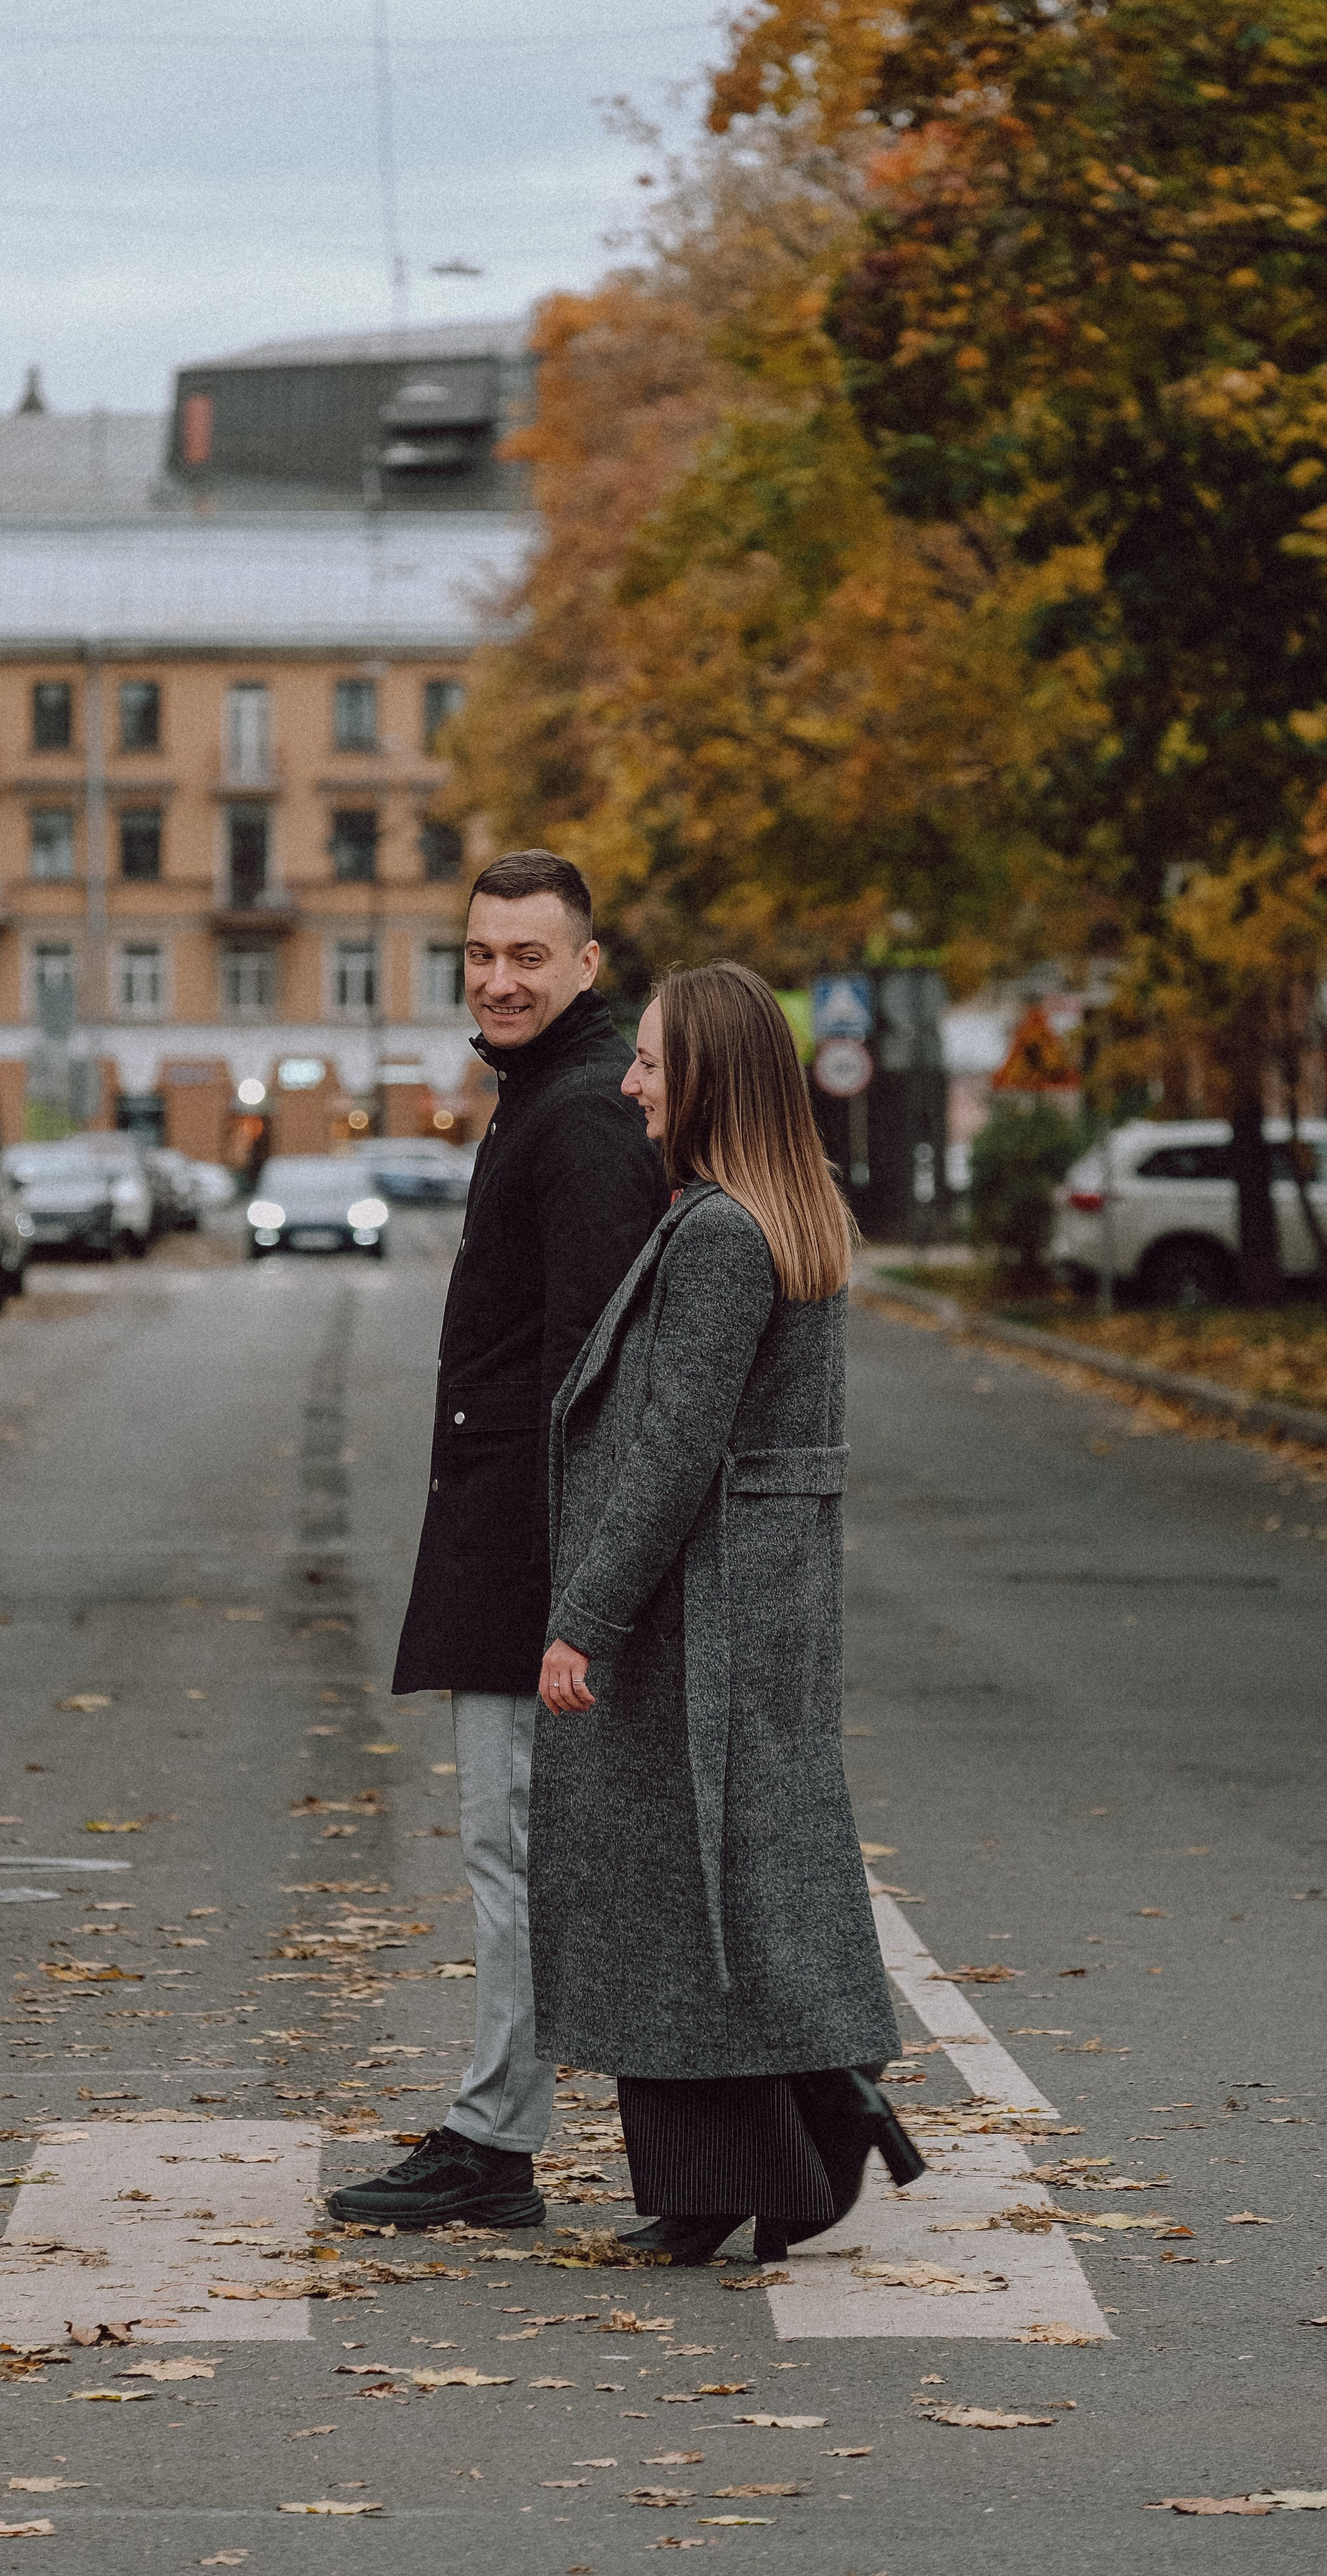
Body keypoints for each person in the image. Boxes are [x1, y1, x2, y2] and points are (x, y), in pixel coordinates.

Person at [529, 962, 924, 2265]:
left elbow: (670, 1450)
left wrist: (586, 1617)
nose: (630, 1083)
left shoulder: (714, 1233)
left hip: (692, 1617)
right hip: (753, 1605)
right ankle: (808, 2125)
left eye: (648, 1062)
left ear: (706, 1076)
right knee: (723, 1888)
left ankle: (763, 2160)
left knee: (669, 1898)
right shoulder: (778, 1215)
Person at [327, 850, 669, 2233]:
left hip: (538, 1562)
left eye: (530, 955)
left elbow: (600, 1371)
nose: (501, 978)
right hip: (516, 1546)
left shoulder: (582, 1115)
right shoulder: (552, 1097)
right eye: (481, 955)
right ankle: (502, 2128)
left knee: (517, 1849)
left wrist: (580, 1600)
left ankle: (494, 2137)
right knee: (525, 1852)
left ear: (588, 966)